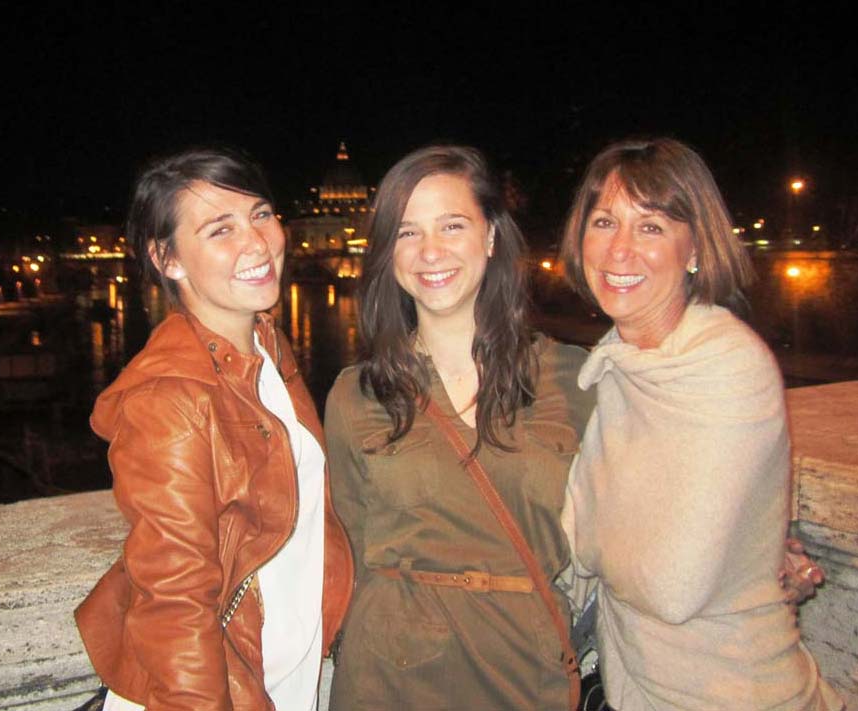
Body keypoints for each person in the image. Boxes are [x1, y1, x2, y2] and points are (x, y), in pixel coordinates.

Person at [558, 138, 842, 710]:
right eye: (605, 221)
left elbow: (670, 585)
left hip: (730, 689)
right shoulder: (617, 360)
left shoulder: (725, 365)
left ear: (695, 248)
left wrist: (584, 539)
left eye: (651, 227)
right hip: (636, 682)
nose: (619, 249)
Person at [74, 146, 354, 710]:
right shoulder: (168, 398)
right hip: (222, 687)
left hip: (279, 672)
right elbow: (174, 597)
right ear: (167, 258)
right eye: (220, 229)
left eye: (260, 214)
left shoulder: (266, 346)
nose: (257, 242)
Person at [324, 145, 596, 710]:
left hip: (525, 667)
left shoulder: (572, 377)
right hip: (390, 677)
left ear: (491, 236)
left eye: (452, 225)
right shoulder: (357, 394)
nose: (430, 251)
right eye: (407, 232)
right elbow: (348, 549)